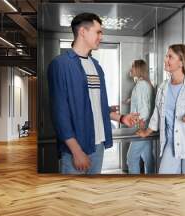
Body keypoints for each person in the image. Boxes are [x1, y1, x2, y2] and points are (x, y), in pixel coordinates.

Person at [48, 13, 139, 174]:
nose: (101, 36)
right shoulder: (60, 64)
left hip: (98, 146)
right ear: (83, 32)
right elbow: (59, 114)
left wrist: (122, 118)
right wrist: (76, 151)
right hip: (75, 149)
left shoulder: (96, 67)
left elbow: (100, 106)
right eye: (98, 32)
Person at [137, 44, 185, 174]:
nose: (165, 59)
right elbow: (157, 114)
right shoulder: (162, 88)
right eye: (166, 56)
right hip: (171, 144)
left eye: (170, 57)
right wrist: (146, 132)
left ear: (181, 62)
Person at [126, 60, 155, 174]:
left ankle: (135, 186)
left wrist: (141, 121)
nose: (131, 69)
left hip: (142, 125)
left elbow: (145, 109)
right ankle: (150, 183)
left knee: (131, 158)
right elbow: (144, 101)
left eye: (133, 67)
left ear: (138, 69)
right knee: (147, 157)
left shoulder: (141, 85)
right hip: (146, 124)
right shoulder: (144, 84)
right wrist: (130, 100)